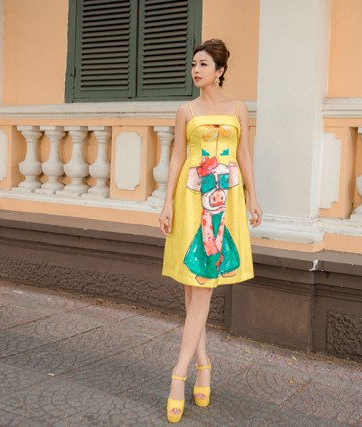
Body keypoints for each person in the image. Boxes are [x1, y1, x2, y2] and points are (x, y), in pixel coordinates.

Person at [158, 39, 262, 423]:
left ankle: (179, 373)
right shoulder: (185, 111)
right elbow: (177, 157)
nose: (195, 71)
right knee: (193, 286)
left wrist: (252, 196)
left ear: (220, 71)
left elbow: (243, 153)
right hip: (190, 199)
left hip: (224, 200)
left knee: (201, 287)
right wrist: (167, 202)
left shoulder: (238, 109)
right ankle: (202, 365)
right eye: (193, 65)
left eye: (203, 64)